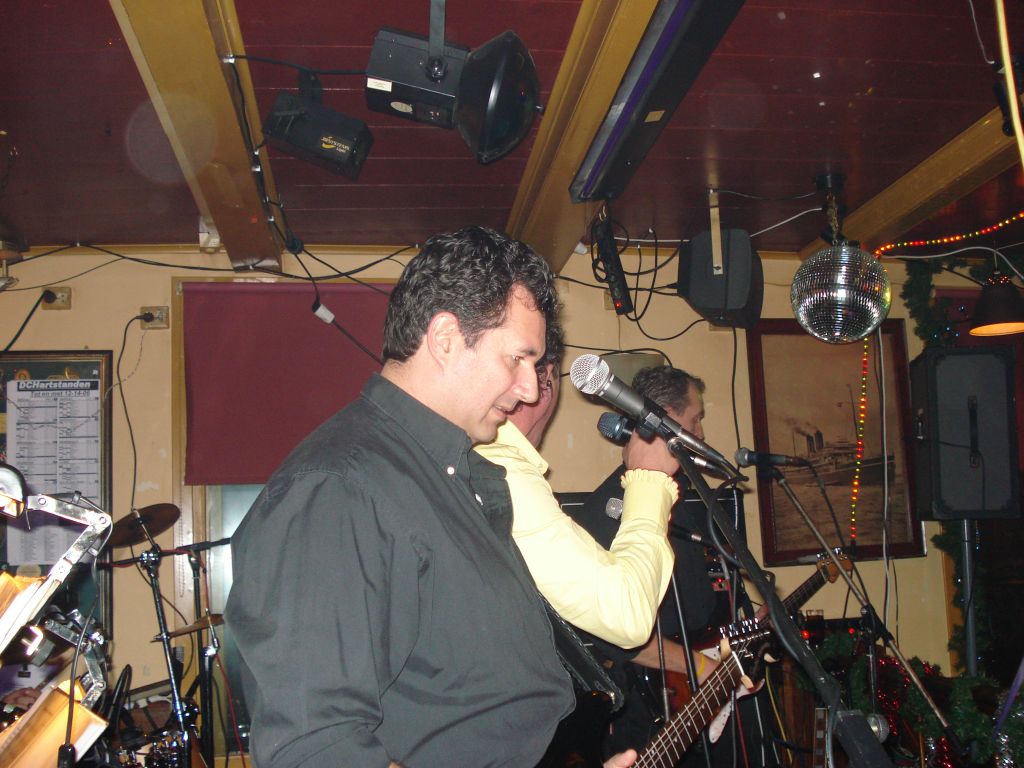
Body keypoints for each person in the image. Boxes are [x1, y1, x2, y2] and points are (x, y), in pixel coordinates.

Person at [224, 226, 640, 768]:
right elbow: (315, 748)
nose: (529, 390)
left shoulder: (454, 474)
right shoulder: (338, 488)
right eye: (518, 359)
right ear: (445, 338)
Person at [475, 321, 681, 649]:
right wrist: (650, 477)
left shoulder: (474, 461)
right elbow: (626, 615)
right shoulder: (503, 474)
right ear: (545, 382)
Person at [570, 365, 727, 761]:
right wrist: (696, 665)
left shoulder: (688, 496)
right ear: (668, 419)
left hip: (699, 695)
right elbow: (608, 634)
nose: (701, 433)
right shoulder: (606, 510)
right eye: (695, 419)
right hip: (651, 710)